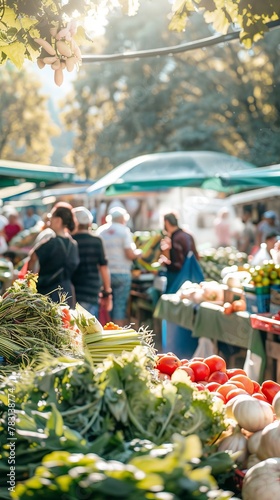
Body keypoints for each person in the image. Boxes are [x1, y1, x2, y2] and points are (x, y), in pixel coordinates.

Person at [27, 202, 80, 308]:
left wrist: (29, 280)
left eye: (51, 217)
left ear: (58, 220)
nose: (49, 221)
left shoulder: (51, 242)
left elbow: (33, 257)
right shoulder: (73, 244)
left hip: (47, 292)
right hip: (67, 292)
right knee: (65, 322)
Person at [96, 206, 142, 327]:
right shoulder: (124, 231)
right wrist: (139, 253)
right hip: (122, 273)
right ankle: (116, 333)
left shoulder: (101, 231)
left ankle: (103, 332)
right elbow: (129, 253)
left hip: (104, 274)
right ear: (123, 219)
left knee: (104, 305)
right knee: (119, 307)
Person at [71, 206, 112, 318]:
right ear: (89, 223)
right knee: (90, 329)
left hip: (74, 291)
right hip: (92, 290)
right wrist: (107, 291)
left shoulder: (70, 240)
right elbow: (103, 267)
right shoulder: (97, 241)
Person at [159, 212, 199, 292]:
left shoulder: (176, 238)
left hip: (178, 279)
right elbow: (196, 256)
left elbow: (177, 264)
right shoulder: (188, 235)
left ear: (166, 222)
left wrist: (165, 262)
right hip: (192, 275)